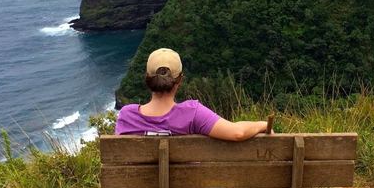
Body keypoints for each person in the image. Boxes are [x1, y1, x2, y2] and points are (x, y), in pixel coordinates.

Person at [115, 47, 269, 141]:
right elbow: (238, 133)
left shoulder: (126, 115)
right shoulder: (192, 113)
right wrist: (263, 125)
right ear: (180, 80)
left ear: (147, 78)